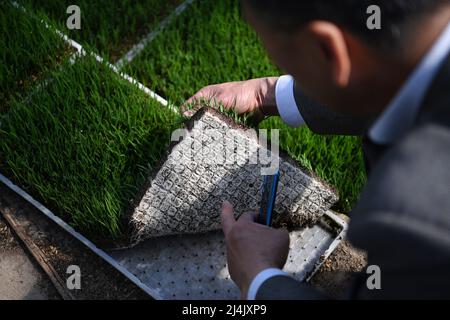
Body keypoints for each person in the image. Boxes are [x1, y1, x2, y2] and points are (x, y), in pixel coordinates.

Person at [186, 0, 450, 299]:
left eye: (286, 62)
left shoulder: (414, 223)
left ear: (328, 48)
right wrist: (267, 94)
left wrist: (259, 277)